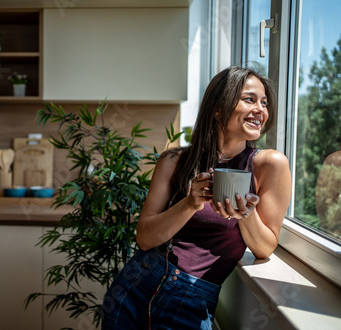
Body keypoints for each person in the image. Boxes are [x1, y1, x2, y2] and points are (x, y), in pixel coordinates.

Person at [101, 66, 292, 330]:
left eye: (264, 103)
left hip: (192, 297)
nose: (260, 109)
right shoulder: (174, 161)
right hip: (138, 282)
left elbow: (265, 247)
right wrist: (191, 203)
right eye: (249, 99)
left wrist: (244, 213)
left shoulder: (269, 164)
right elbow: (145, 238)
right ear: (218, 108)